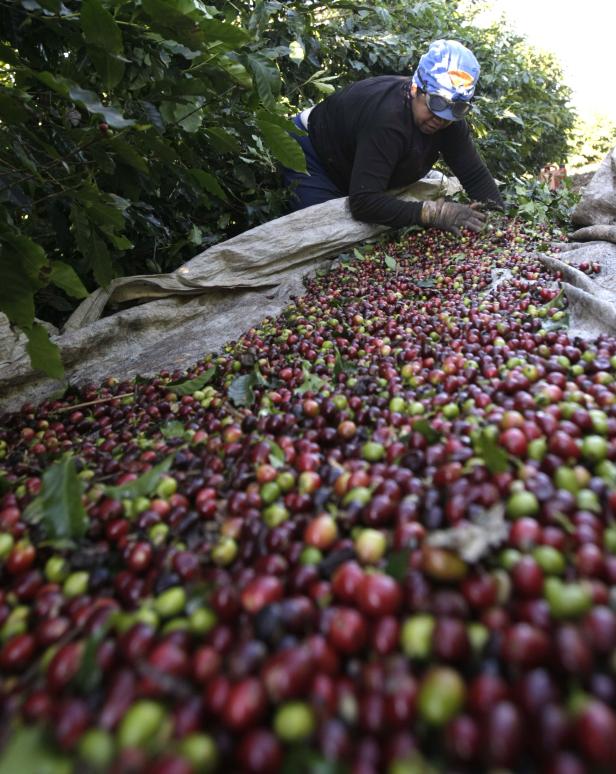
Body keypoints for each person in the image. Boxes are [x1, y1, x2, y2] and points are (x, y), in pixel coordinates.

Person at [282, 39, 503, 236]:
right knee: (323, 236)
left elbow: (474, 174)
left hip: (360, 156)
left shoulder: (449, 121)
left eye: (454, 111)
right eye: (435, 106)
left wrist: (497, 218)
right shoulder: (388, 118)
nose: (440, 119)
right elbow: (364, 202)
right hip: (315, 153)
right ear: (416, 88)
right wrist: (433, 213)